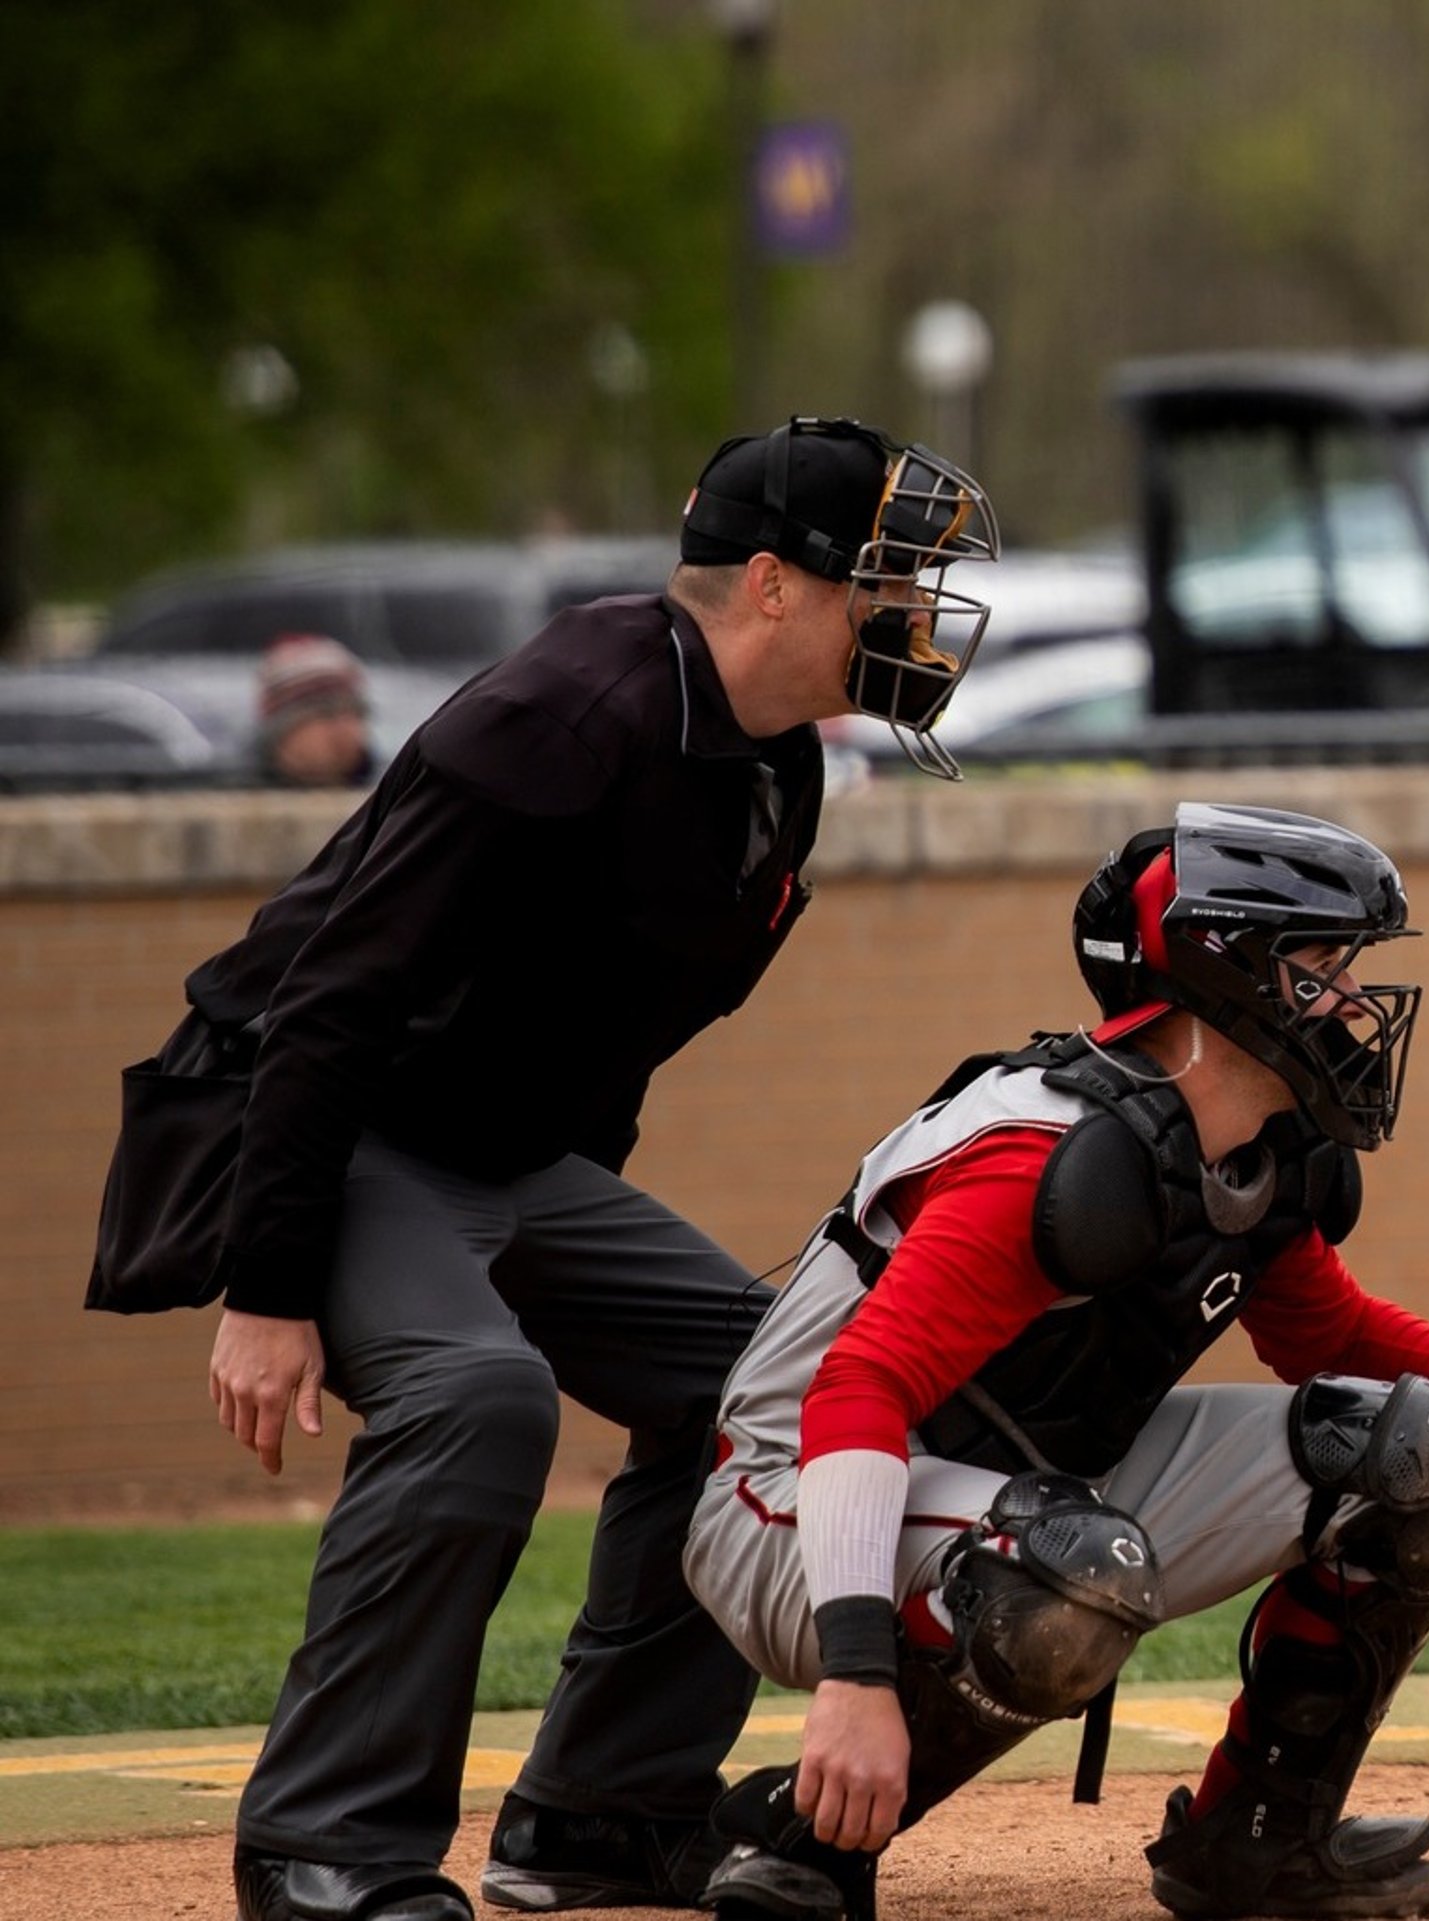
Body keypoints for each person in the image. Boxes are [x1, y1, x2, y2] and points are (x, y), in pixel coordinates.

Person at [144, 418, 995, 1921]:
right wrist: (269, 1284)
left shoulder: (774, 766)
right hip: (319, 1124)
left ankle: (603, 1812)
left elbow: (603, 1042)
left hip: (495, 1150)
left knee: (768, 1380)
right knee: (481, 1392)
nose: (916, 613)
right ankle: (321, 1850)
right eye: (888, 576)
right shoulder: (563, 712)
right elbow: (327, 1003)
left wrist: (548, 1261)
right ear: (773, 585)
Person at [681, 805, 1429, 1921]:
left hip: (1007, 1487)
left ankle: (1258, 1843)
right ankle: (812, 1851)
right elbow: (858, 1392)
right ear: (1227, 971)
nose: (1350, 1002)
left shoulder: (1245, 1152)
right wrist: (856, 1675)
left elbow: (1329, 1337)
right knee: (1069, 1563)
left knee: (1416, 1445)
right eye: (1321, 967)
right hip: (790, 1497)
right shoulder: (1039, 1153)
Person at [252, 633, 376, 788]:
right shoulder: (231, 799)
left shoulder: (395, 794)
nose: (344, 727)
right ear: (282, 733)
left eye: (355, 712)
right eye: (326, 713)